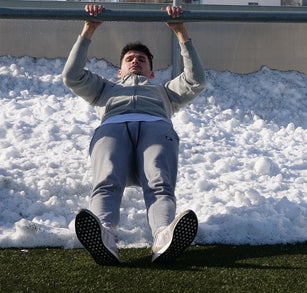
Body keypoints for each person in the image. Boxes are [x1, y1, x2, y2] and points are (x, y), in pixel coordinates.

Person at [62, 4, 206, 265]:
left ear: (151, 71)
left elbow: (196, 80)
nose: (135, 60)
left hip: (156, 127)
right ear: (120, 70)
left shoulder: (164, 92)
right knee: (106, 182)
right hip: (113, 128)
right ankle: (104, 236)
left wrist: (181, 32)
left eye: (142, 59)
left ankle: (163, 237)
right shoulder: (105, 88)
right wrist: (88, 29)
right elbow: (72, 76)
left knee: (160, 184)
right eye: (129, 59)